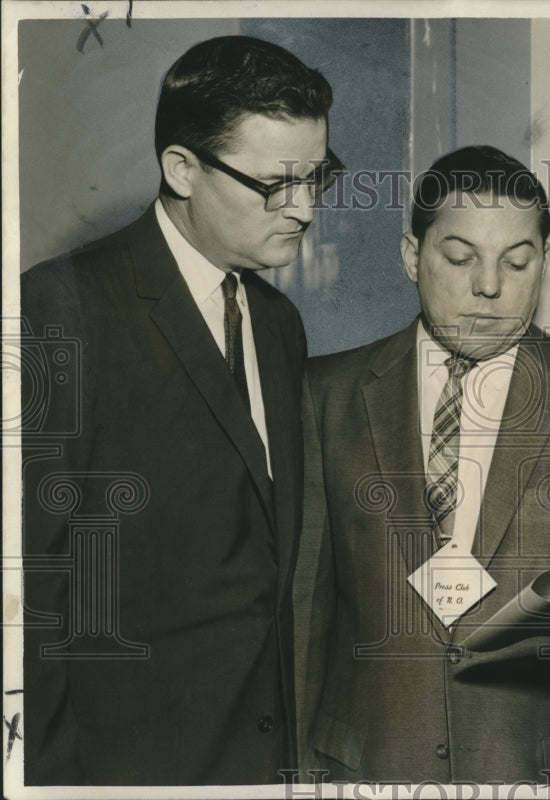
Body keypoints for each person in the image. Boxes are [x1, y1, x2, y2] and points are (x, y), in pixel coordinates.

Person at [295, 145, 550, 782]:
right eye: (460, 256)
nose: (490, 286)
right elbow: (301, 606)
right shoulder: (323, 394)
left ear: (543, 263)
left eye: (517, 261)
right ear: (412, 256)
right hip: (365, 770)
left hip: (544, 768)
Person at [19, 35, 343, 785]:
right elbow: (32, 588)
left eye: (317, 178)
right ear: (182, 169)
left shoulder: (276, 321)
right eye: (277, 183)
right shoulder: (57, 309)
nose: (304, 210)